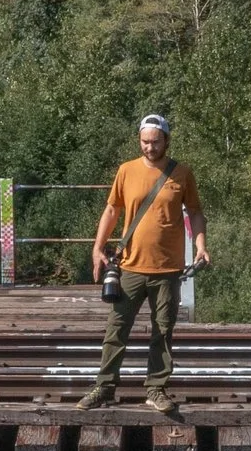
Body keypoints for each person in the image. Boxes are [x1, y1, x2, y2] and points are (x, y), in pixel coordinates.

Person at [80, 113, 209, 412]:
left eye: (155, 142)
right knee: (116, 329)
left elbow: (196, 212)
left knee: (162, 331)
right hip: (130, 267)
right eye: (144, 142)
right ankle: (104, 386)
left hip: (167, 269)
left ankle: (156, 389)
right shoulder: (126, 171)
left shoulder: (182, 173)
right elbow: (112, 210)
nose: (149, 148)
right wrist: (97, 247)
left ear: (166, 141)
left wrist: (201, 245)